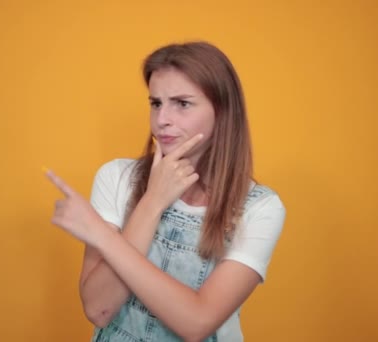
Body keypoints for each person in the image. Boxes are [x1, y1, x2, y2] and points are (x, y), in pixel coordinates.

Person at [46, 41, 286, 342]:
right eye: (156, 103)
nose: (162, 120)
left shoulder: (260, 208)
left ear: (222, 111)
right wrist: (152, 202)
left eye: (182, 103)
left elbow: (197, 322)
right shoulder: (117, 177)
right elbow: (99, 309)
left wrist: (102, 235)